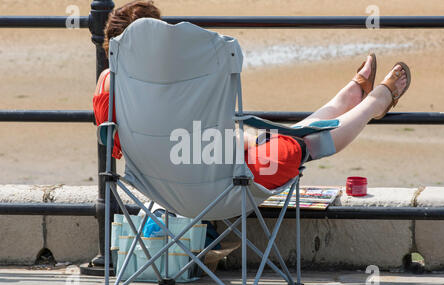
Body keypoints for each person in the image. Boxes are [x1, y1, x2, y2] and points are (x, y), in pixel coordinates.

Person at [93, 0, 411, 190]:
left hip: (161, 189)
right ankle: (376, 101)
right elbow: (203, 139)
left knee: (285, 138)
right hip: (223, 184)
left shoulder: (107, 87)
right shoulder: (179, 85)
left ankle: (350, 95)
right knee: (301, 144)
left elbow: (177, 140)